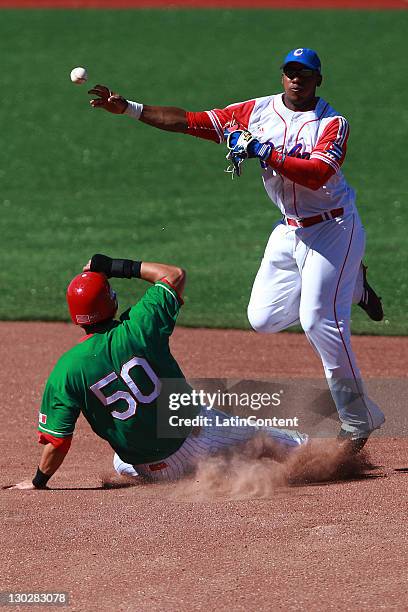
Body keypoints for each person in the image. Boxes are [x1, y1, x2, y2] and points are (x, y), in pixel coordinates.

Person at [87, 47, 385, 450]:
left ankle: (356, 420)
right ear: (283, 76)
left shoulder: (332, 123)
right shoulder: (256, 112)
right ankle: (352, 285)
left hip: (335, 227)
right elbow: (190, 122)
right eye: (291, 72)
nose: (297, 79)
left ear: (318, 80)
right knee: (261, 318)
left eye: (306, 73)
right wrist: (129, 108)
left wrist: (264, 151)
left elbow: (318, 175)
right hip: (290, 231)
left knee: (319, 320)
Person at [10, 254, 307, 490]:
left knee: (119, 463)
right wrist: (113, 266)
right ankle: (324, 452)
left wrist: (38, 482)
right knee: (275, 440)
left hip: (150, 467)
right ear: (110, 301)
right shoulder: (141, 324)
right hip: (196, 437)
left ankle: (209, 469)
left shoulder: (66, 369)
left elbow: (57, 442)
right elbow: (174, 274)